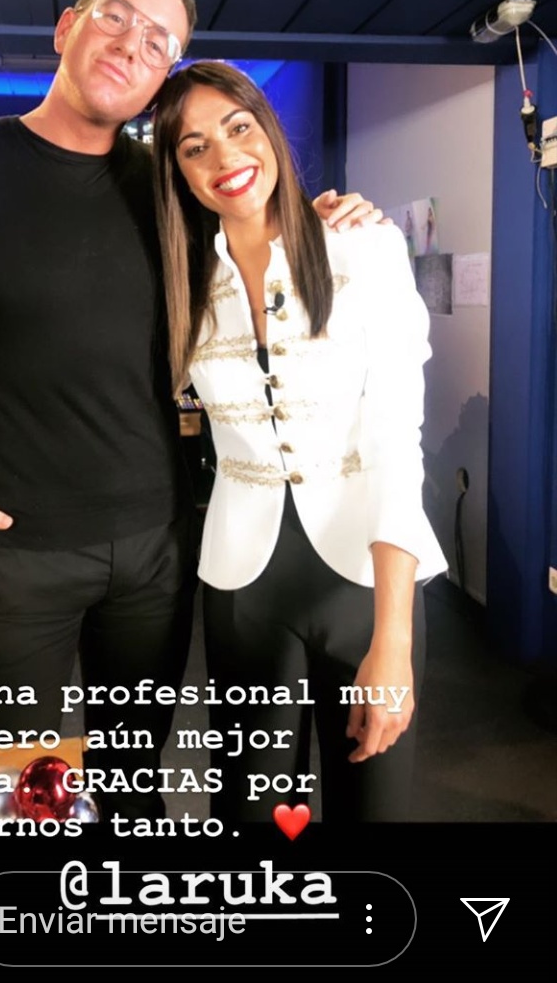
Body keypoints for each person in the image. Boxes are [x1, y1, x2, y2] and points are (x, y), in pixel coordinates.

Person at [0, 0, 383, 822]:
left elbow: (256, 226)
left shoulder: (168, 189)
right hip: (14, 553)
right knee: (3, 799)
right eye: (117, 16)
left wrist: (331, 220)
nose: (134, 43)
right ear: (67, 27)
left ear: (164, 75)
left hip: (157, 550)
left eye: (159, 39)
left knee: (133, 787)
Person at [152, 61, 447, 823]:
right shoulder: (184, 280)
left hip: (365, 582)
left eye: (238, 128)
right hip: (243, 584)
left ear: (271, 131)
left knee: (373, 810)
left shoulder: (363, 247)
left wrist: (393, 640)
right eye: (194, 147)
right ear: (177, 171)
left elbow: (397, 440)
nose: (224, 157)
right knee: (250, 816)